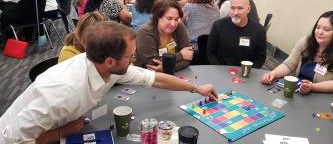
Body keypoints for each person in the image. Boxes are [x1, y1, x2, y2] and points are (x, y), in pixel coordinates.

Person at [0, 21, 217, 143]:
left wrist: (196, 88)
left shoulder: (109, 67)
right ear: (110, 60)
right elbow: (13, 140)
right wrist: (62, 132)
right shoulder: (66, 90)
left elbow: (154, 79)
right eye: (131, 56)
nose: (134, 60)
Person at [261, 11, 333, 94]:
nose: (319, 32)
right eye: (318, 27)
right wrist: (273, 74)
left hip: (323, 97)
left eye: (326, 29)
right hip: (299, 91)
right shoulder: (306, 42)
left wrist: (312, 87)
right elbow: (289, 65)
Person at [207, 0, 266, 68]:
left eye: (240, 8)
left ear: (248, 9)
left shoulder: (258, 30)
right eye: (232, 8)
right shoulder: (218, 26)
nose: (235, 12)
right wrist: (219, 70)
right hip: (222, 72)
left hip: (246, 74)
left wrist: (247, 72)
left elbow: (260, 58)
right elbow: (211, 53)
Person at [135, 0, 193, 72]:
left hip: (176, 75)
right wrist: (181, 55)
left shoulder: (179, 27)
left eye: (176, 19)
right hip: (147, 78)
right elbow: (153, 65)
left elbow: (188, 57)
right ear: (158, 16)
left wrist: (166, 68)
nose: (173, 24)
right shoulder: (144, 33)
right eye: (169, 18)